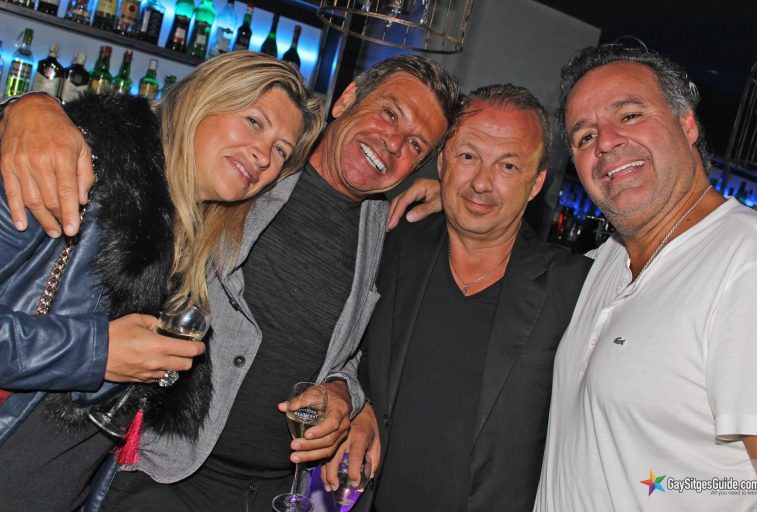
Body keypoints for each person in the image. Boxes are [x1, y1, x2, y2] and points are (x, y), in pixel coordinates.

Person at [0, 54, 460, 510]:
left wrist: (349, 395)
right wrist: (28, 106)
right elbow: (138, 139)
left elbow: (361, 349)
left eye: (415, 144)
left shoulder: (394, 232)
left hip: (260, 490)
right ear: (348, 98)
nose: (393, 144)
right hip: (158, 478)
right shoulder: (131, 175)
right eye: (389, 114)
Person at [0, 51, 323, 512]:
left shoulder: (194, 250)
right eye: (254, 121)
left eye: (280, 152)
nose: (263, 155)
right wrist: (97, 351)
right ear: (201, 100)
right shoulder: (74, 171)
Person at [534, 44, 757, 511]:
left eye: (630, 115)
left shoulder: (749, 261)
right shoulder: (605, 261)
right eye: (584, 136)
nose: (605, 142)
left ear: (687, 124)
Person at [336, 84, 590, 511]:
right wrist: (355, 403)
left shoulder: (575, 288)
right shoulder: (390, 244)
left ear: (535, 183)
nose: (481, 183)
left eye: (508, 165)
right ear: (442, 161)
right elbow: (340, 352)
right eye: (468, 156)